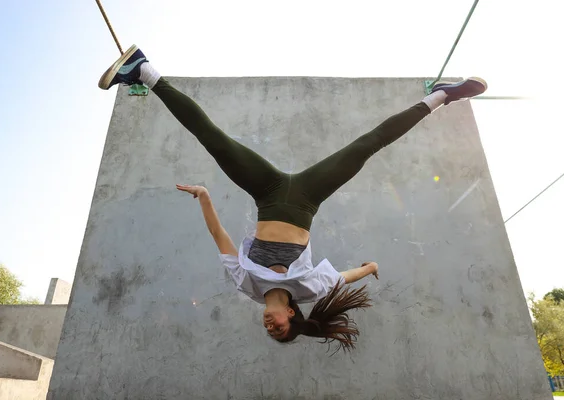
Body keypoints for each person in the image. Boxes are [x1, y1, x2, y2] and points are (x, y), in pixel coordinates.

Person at [98, 45, 487, 352]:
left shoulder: (247, 286)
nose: (271, 327)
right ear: (291, 315)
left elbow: (222, 241)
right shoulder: (310, 289)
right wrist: (369, 268)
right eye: (281, 329)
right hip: (306, 199)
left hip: (265, 192)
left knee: (212, 139)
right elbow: (343, 276)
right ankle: (442, 97)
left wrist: (204, 197)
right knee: (369, 143)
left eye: (270, 331)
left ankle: (143, 70)